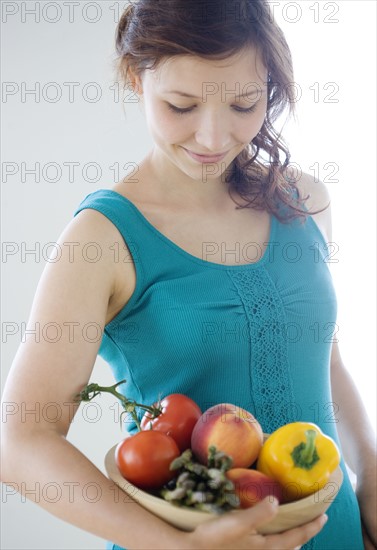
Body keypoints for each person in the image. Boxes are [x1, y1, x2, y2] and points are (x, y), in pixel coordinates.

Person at [2, 1, 376, 549]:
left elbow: (328, 360)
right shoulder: (100, 239)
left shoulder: (303, 199)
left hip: (334, 530)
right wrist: (177, 547)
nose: (213, 137)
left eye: (245, 103)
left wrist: (370, 475)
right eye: (182, 105)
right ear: (137, 77)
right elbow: (20, 440)